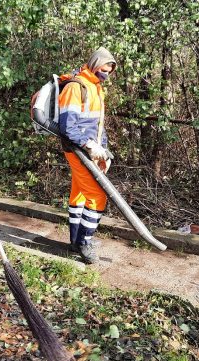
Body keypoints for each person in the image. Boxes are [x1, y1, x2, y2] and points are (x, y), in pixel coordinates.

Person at [58, 47, 116, 264]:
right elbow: (67, 127)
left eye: (110, 70)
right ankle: (85, 242)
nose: (107, 73)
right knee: (97, 196)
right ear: (95, 63)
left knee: (79, 194)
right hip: (77, 150)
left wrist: (104, 152)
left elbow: (98, 125)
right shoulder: (76, 87)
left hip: (88, 151)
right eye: (104, 68)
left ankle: (76, 239)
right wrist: (90, 146)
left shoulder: (95, 87)